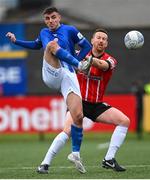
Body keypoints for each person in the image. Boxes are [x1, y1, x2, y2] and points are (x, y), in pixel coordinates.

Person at [6, 6, 92, 174]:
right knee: (52, 46)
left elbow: (87, 47)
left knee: (78, 117)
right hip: (52, 73)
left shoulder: (70, 30)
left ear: (59, 17)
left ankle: (67, 156)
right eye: (47, 18)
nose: (50, 21)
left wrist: (77, 60)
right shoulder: (45, 32)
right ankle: (79, 65)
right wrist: (16, 42)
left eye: (53, 17)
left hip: (68, 74)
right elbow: (38, 45)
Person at [37, 28, 130, 174]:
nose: (101, 40)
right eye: (98, 37)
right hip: (78, 101)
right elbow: (63, 59)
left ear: (106, 44)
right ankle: (44, 164)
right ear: (91, 41)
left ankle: (109, 159)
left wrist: (88, 60)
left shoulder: (110, 59)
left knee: (124, 121)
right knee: (67, 131)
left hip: (96, 104)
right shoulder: (78, 55)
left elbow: (103, 65)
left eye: (104, 39)